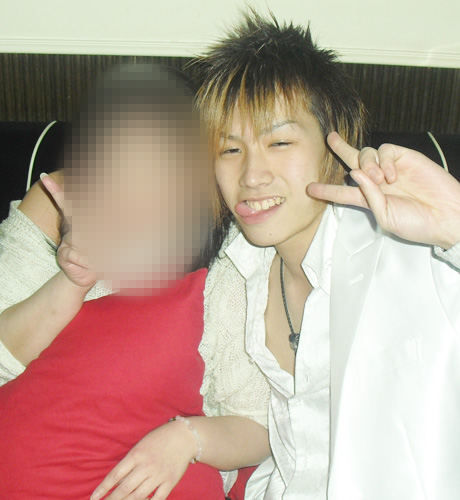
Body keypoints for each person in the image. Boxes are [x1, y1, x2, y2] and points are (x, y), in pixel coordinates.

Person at [191, 11, 460, 499]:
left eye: (279, 142)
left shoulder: (412, 250)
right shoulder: (238, 271)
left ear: (333, 145)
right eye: (230, 150)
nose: (251, 175)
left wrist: (456, 223)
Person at [0, 62, 271, 500]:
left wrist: (186, 439)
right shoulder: (57, 203)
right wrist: (71, 280)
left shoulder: (230, 263)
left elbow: (258, 422)